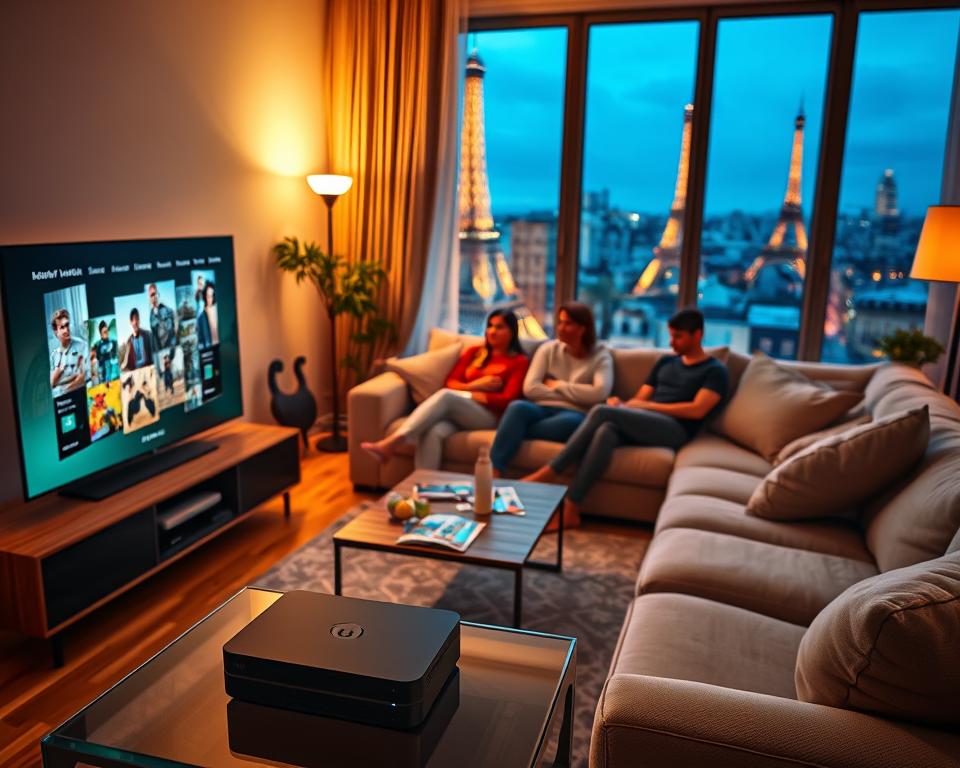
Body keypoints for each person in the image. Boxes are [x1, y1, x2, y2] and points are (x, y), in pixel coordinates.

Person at [524, 308, 729, 529]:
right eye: (670, 335)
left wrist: (647, 406)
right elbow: (640, 399)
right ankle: (572, 509)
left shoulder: (714, 371)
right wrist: (622, 405)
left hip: (676, 429)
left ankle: (551, 470)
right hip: (646, 420)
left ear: (697, 335)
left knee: (601, 412)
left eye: (678, 336)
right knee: (606, 429)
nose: (672, 342)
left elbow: (697, 410)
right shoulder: (666, 363)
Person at [361, 309, 529, 469]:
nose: (492, 331)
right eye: (490, 326)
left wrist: (467, 394)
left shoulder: (519, 361)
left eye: (499, 327)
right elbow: (450, 382)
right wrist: (475, 386)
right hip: (459, 412)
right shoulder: (474, 352)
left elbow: (508, 401)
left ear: (512, 332)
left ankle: (393, 442)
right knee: (432, 432)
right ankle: (424, 490)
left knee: (447, 397)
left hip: (489, 417)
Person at [489, 301, 613, 476]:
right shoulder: (548, 349)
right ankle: (494, 474)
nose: (560, 328)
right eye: (560, 322)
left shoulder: (600, 356)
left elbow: (599, 393)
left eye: (568, 323)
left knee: (570, 424)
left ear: (582, 328)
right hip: (539, 408)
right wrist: (578, 393)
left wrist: (558, 385)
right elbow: (530, 388)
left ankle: (514, 429)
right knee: (517, 407)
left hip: (574, 413)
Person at [49, 308, 88, 396]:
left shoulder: (82, 346)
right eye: (62, 327)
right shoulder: (54, 356)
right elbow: (52, 383)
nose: (66, 330)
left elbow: (84, 376)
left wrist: (63, 390)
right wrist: (60, 369)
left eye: (67, 325)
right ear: (56, 332)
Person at [148, 283, 177, 350]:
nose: (154, 297)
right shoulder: (151, 317)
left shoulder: (167, 310)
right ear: (150, 298)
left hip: (172, 347)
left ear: (158, 294)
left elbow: (173, 328)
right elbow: (155, 338)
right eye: (152, 295)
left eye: (155, 294)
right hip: (161, 351)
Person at [197, 281, 219, 347]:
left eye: (211, 296)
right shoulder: (201, 317)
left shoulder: (217, 311)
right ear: (204, 296)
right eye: (208, 296)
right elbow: (201, 341)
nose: (209, 299)